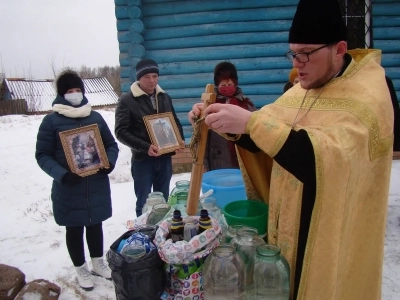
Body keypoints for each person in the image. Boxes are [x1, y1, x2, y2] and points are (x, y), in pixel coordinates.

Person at [188, 0, 393, 299]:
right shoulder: (303, 87)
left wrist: (253, 124)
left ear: (338, 49)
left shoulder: (370, 92)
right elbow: (269, 137)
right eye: (293, 53)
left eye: (306, 53)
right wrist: (225, 122)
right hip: (286, 227)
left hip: (330, 235)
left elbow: (330, 160)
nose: (296, 64)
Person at [35, 70, 119, 291]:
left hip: (96, 184)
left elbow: (110, 145)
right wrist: (62, 174)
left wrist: (108, 162)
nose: (75, 94)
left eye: (77, 90)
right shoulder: (52, 121)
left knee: (95, 224)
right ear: (62, 94)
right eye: (69, 91)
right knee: (74, 228)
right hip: (69, 187)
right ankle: (80, 268)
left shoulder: (95, 117)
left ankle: (98, 262)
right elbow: (42, 155)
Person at [115, 59, 184, 217]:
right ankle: (144, 233)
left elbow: (175, 122)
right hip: (143, 160)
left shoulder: (164, 97)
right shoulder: (127, 100)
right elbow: (121, 131)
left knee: (163, 201)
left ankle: (161, 233)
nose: (152, 80)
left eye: (155, 76)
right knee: (144, 202)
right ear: (138, 78)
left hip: (164, 159)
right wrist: (145, 147)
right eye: (147, 76)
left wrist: (179, 139)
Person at [202, 62, 255, 172]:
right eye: (223, 85)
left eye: (229, 85)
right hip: (218, 158)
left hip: (242, 157)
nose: (227, 88)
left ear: (235, 84)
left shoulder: (246, 103)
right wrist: (205, 160)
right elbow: (204, 135)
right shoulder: (211, 105)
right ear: (217, 85)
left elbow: (255, 129)